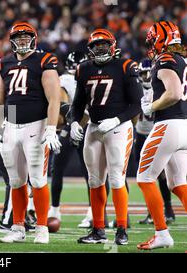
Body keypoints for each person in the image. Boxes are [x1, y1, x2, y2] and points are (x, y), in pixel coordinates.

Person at [0, 22, 62, 244]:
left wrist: (50, 128)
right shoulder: (5, 62)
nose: (21, 40)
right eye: (18, 37)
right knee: (16, 180)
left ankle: (41, 228)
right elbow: (0, 99)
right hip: (11, 126)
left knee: (38, 180)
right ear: (11, 40)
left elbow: (54, 98)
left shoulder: (45, 60)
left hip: (36, 126)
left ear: (33, 38)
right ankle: (18, 227)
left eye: (25, 36)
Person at [70, 28, 142, 245]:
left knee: (117, 178)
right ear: (90, 49)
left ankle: (121, 229)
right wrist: (73, 121)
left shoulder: (125, 66)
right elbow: (77, 103)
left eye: (104, 44)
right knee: (94, 181)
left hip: (118, 128)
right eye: (96, 45)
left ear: (112, 46)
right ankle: (98, 229)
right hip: (93, 127)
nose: (100, 48)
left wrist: (117, 120)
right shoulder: (83, 69)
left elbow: (136, 104)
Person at [137, 21, 187, 250]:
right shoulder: (183, 60)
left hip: (168, 125)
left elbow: (175, 93)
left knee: (145, 178)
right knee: (178, 184)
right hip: (183, 125)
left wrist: (151, 106)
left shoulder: (166, 59)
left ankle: (162, 234)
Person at [49, 51, 91, 225]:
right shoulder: (67, 79)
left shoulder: (84, 77)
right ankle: (55, 209)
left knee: (91, 172)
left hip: (85, 124)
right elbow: (62, 102)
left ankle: (93, 212)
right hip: (75, 124)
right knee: (58, 168)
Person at [135, 58, 176, 226]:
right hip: (140, 133)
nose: (145, 77)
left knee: (163, 176)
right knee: (146, 177)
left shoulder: (159, 87)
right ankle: (153, 212)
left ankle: (168, 210)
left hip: (157, 133)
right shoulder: (135, 88)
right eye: (142, 73)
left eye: (147, 73)